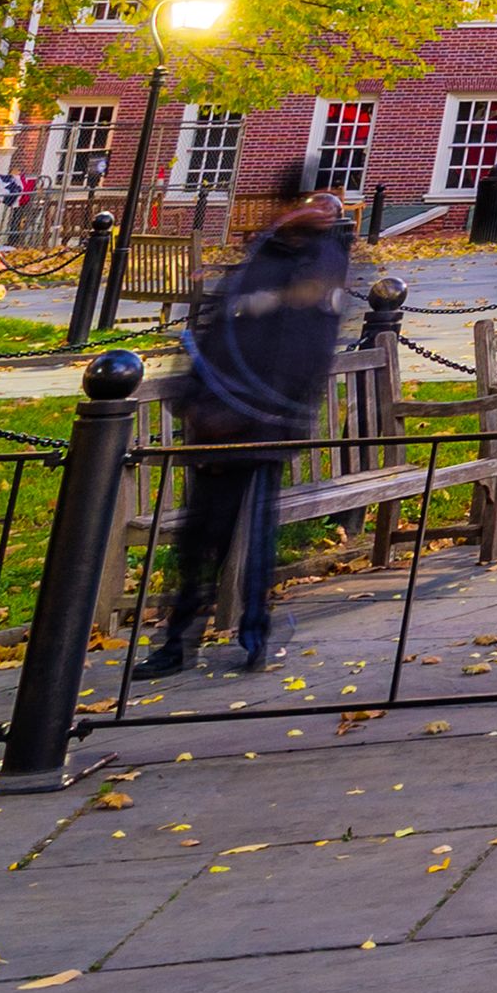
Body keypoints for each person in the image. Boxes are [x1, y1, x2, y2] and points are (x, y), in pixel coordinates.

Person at [141, 157, 359, 675]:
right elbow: (219, 330)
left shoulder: (324, 263)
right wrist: (197, 402)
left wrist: (255, 413)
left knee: (255, 536)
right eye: (315, 200)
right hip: (217, 420)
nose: (327, 210)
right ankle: (177, 641)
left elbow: (302, 353)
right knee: (199, 538)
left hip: (263, 424)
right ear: (289, 206)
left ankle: (254, 636)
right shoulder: (261, 254)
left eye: (333, 201)